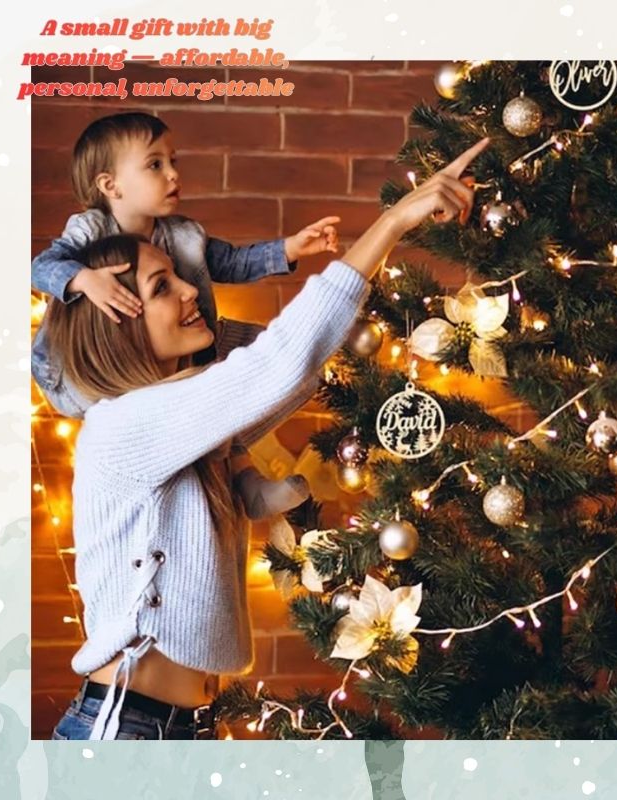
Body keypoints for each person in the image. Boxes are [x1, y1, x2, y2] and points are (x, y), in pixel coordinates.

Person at [45, 137, 489, 740]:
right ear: (115, 325)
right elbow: (278, 362)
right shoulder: (123, 425)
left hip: (177, 728)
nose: (189, 290)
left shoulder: (185, 422)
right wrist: (392, 222)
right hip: (124, 729)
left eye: (177, 277)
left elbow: (292, 372)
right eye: (160, 288)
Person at [32, 111, 340, 520]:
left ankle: (245, 480)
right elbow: (41, 266)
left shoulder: (181, 234)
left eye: (173, 161)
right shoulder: (90, 230)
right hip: (97, 369)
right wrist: (84, 279)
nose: (173, 174)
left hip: (185, 351)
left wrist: (289, 248)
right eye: (155, 164)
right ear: (110, 185)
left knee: (259, 364)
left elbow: (230, 262)